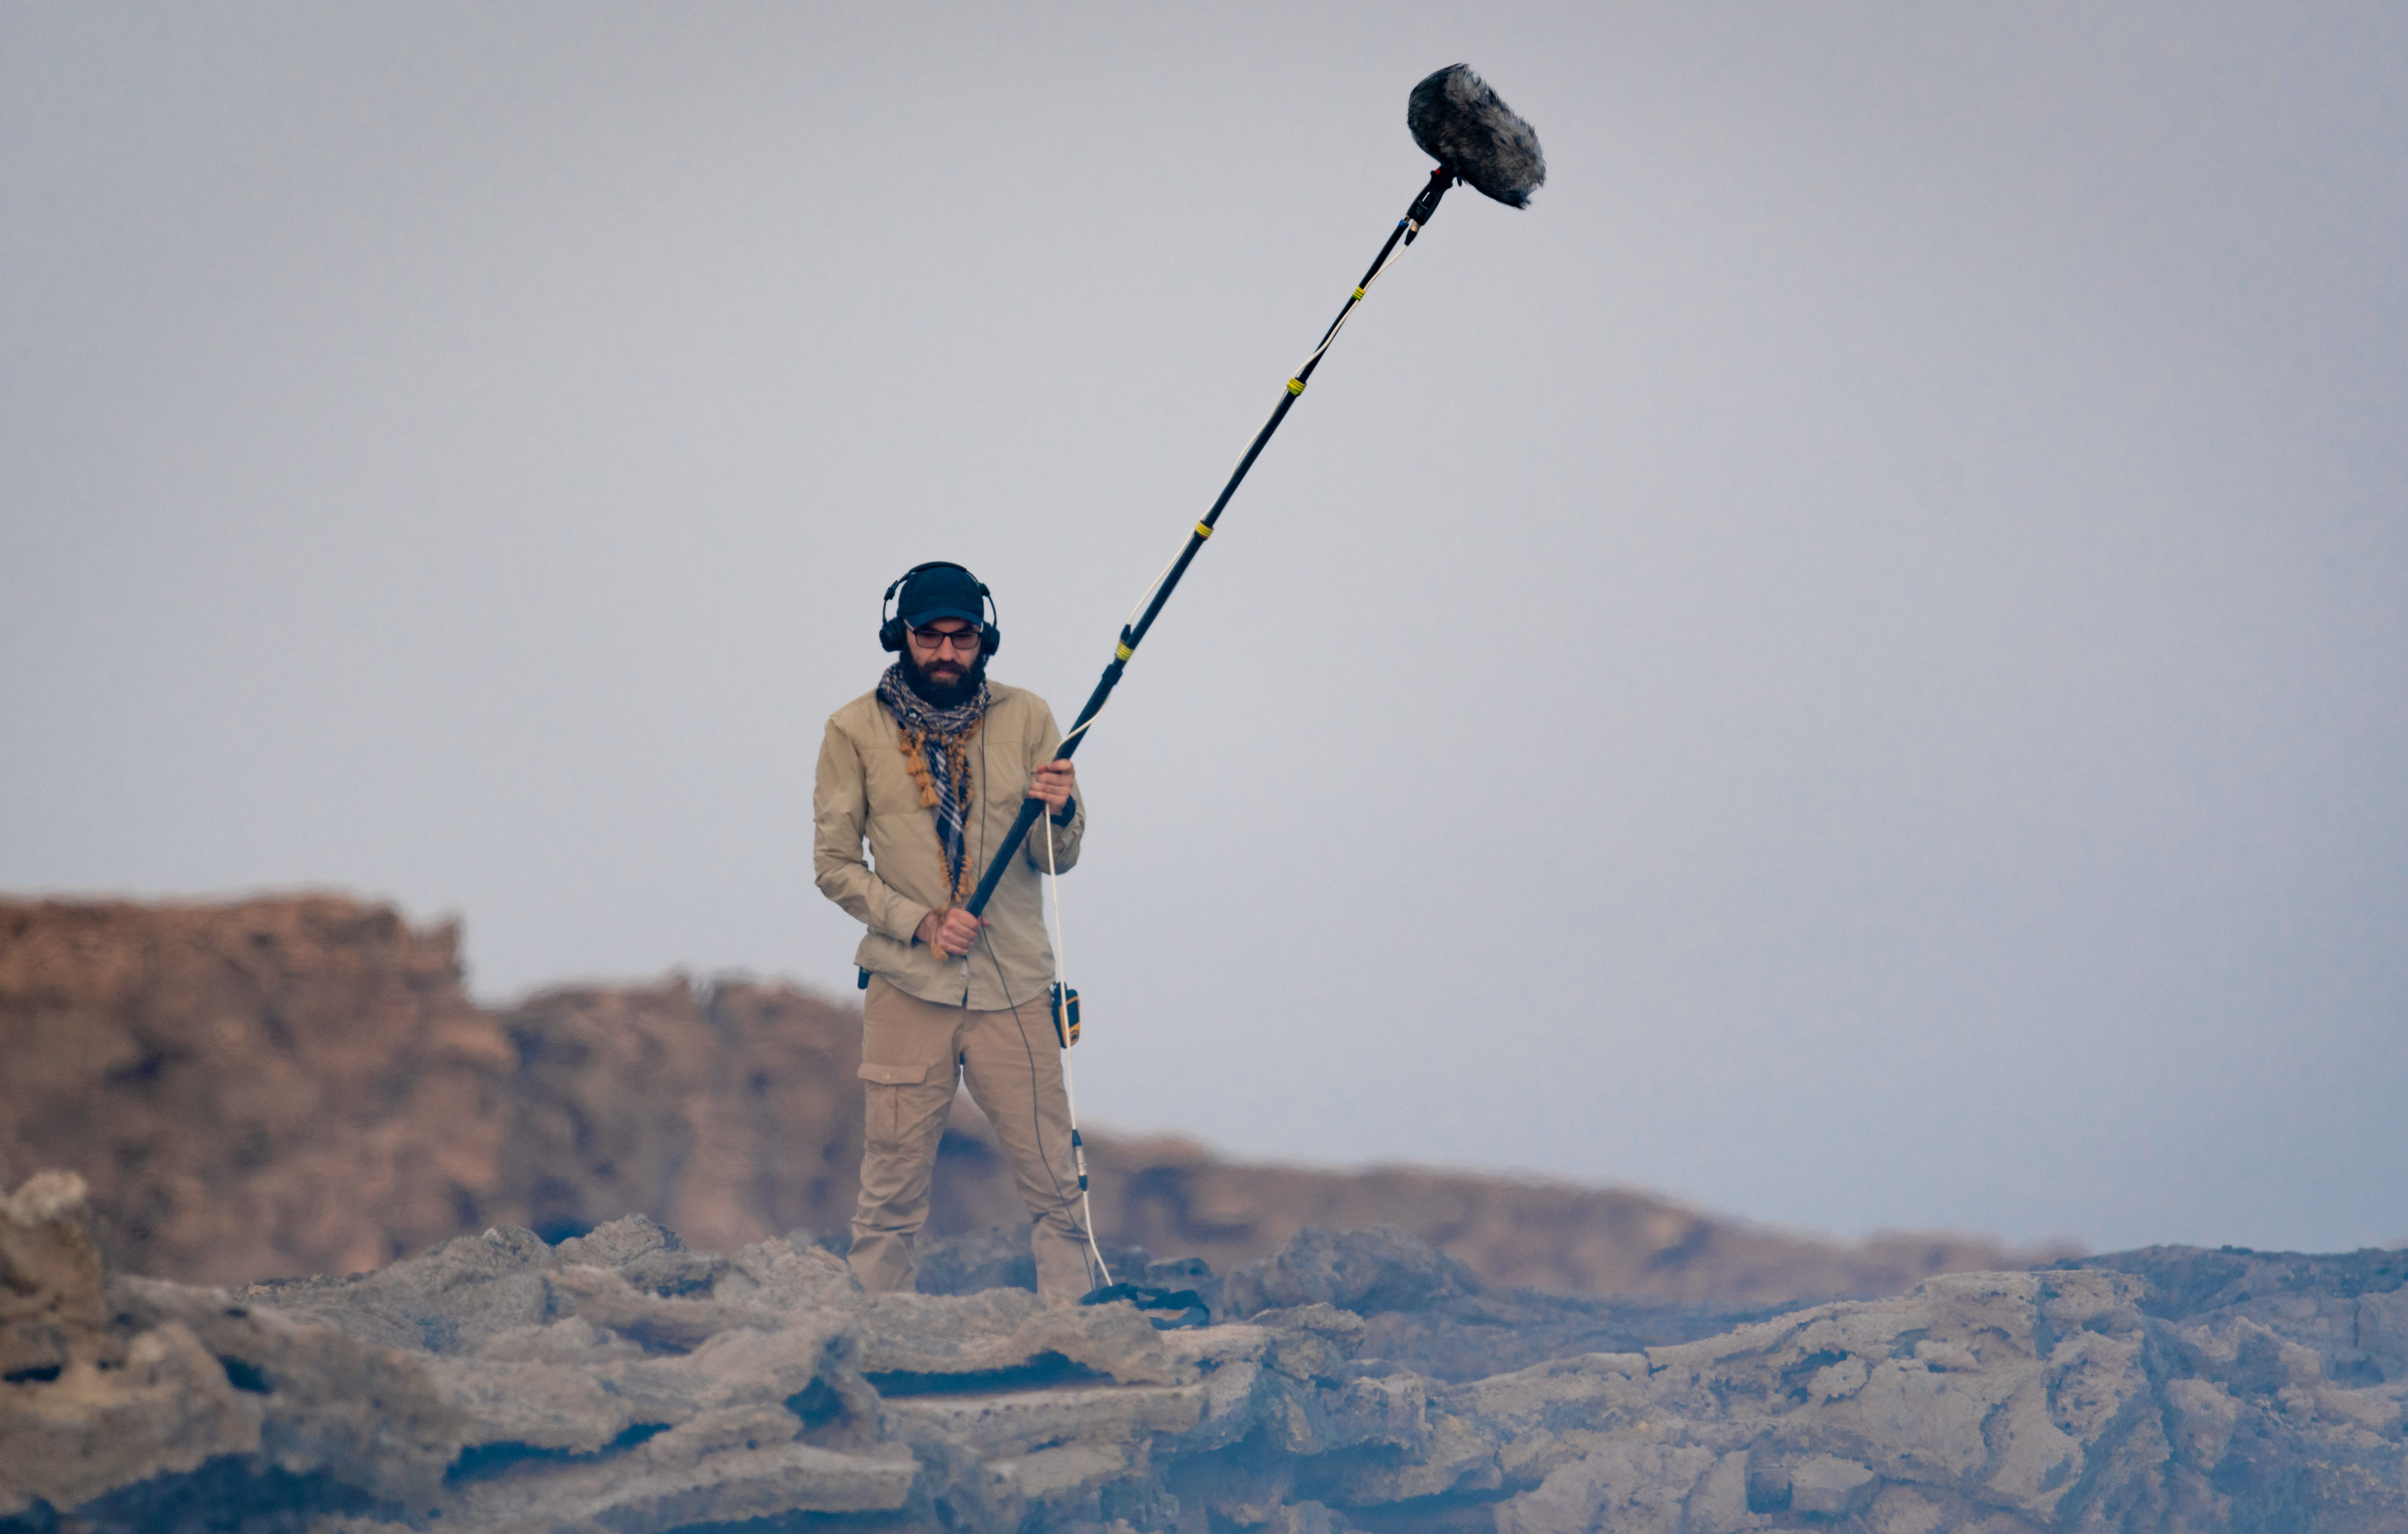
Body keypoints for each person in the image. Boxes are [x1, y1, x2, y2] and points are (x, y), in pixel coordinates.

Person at [811, 560, 1097, 1304]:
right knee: (891, 1193)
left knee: (1058, 1185)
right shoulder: (850, 729)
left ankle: (1080, 1329)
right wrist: (920, 923)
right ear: (900, 636)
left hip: (1017, 989)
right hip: (908, 989)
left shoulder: (1032, 716)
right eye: (929, 636)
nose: (946, 652)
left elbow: (1056, 859)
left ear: (984, 638)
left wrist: (1060, 810)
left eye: (961, 637)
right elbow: (834, 866)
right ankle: (873, 1338)